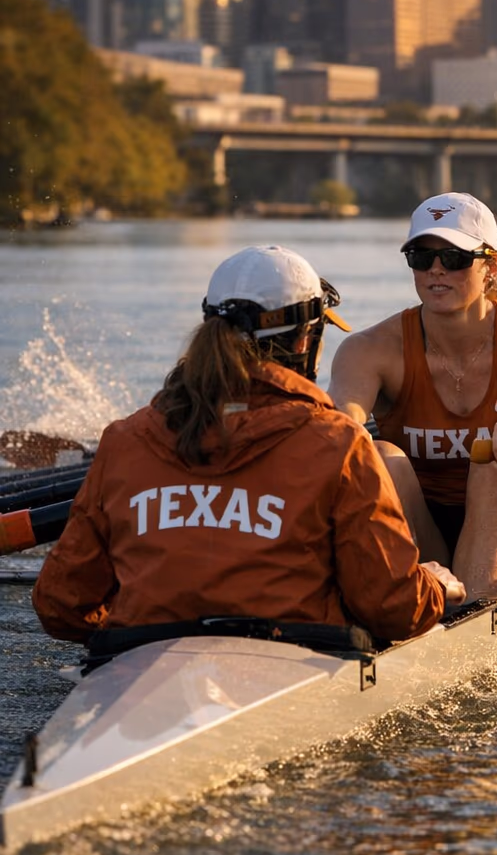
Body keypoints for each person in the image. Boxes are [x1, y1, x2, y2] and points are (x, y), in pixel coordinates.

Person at [33, 245, 461, 643]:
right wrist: (434, 588)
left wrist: (135, 629)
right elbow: (392, 610)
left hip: (140, 660)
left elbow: (61, 606)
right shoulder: (339, 443)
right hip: (296, 662)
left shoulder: (125, 439)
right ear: (304, 341)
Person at [330, 192, 497, 603]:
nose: (436, 270)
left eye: (454, 258)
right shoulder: (368, 348)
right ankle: (416, 604)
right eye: (421, 256)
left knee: (493, 460)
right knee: (378, 454)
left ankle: (467, 625)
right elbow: (339, 427)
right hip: (427, 522)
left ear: (491, 266)